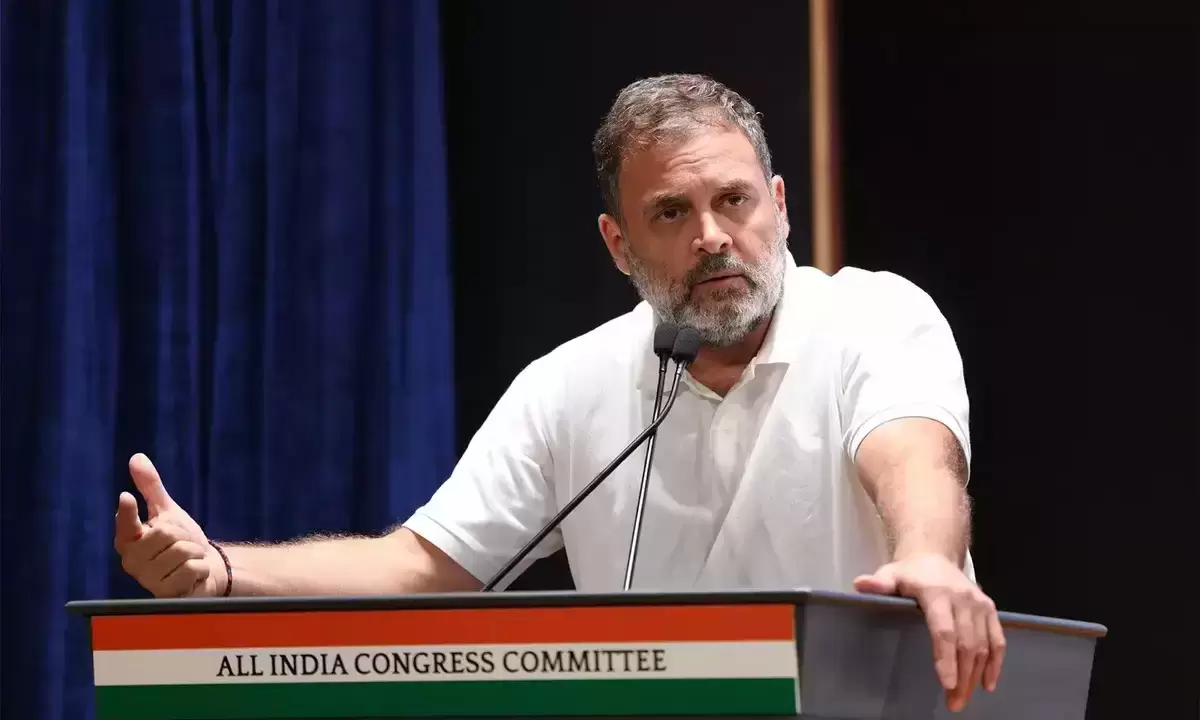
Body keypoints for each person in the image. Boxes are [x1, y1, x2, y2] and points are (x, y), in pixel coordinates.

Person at [114, 73, 1004, 711]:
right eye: (671, 212)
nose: (711, 236)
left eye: (734, 201)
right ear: (619, 245)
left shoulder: (873, 317)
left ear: (778, 204)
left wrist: (927, 557)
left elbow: (914, 460)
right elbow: (426, 566)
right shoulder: (571, 384)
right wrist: (223, 571)